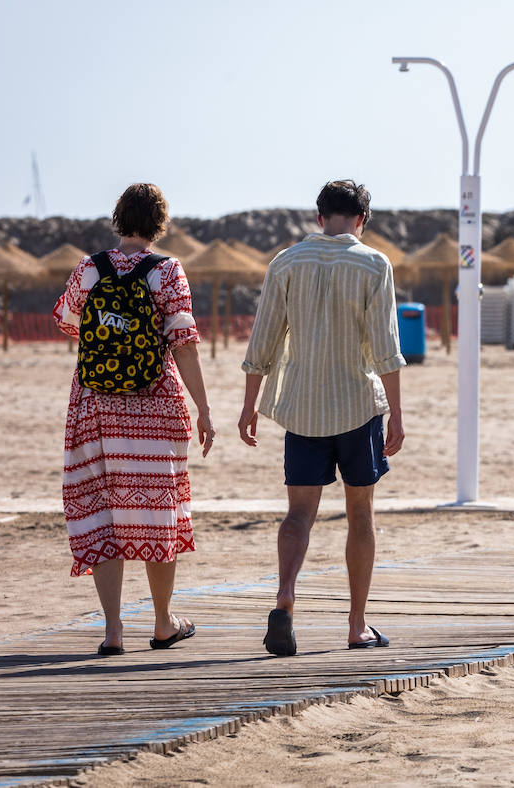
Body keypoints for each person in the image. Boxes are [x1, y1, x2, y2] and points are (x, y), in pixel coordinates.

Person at [238, 180, 405, 656]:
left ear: (318, 218)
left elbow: (263, 342)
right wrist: (396, 414)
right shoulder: (374, 263)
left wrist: (250, 405)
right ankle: (356, 624)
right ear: (362, 220)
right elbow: (386, 349)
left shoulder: (286, 262)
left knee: (298, 515)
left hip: (302, 409)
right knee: (361, 516)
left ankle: (286, 597)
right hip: (357, 406)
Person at [54, 183, 214, 656]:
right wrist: (203, 407)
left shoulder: (89, 267)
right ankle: (163, 622)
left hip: (94, 404)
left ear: (118, 218)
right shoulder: (167, 271)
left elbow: (67, 321)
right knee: (155, 509)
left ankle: (112, 629)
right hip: (152, 407)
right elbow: (182, 341)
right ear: (159, 223)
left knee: (102, 511)